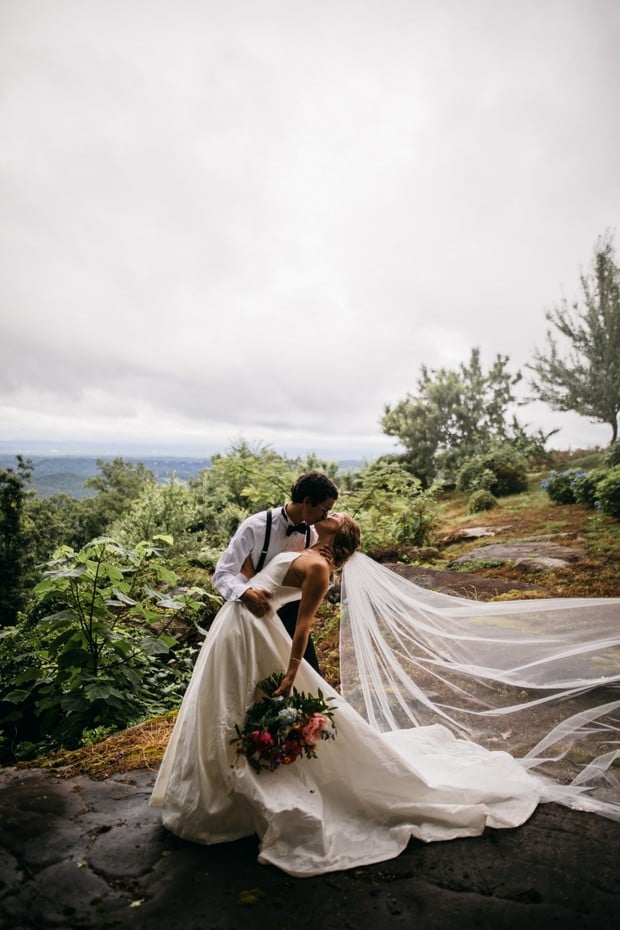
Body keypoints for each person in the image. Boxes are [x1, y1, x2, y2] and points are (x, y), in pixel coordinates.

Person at [151, 513, 606, 877]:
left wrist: (293, 674)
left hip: (258, 635)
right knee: (226, 708)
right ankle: (216, 790)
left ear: (336, 533)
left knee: (244, 711)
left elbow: (306, 625)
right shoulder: (303, 545)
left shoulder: (318, 566)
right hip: (244, 631)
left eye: (335, 516)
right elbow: (244, 570)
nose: (329, 514)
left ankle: (231, 796)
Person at [212, 470, 338, 673]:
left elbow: (315, 584)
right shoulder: (255, 527)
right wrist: (245, 593)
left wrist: (328, 567)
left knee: (310, 678)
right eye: (324, 510)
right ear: (307, 501)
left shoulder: (314, 535)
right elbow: (222, 573)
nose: (325, 517)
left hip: (292, 615)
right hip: (254, 612)